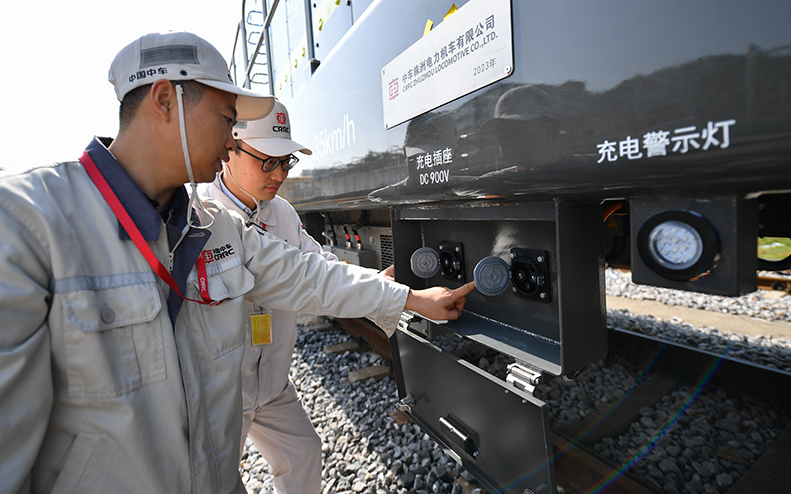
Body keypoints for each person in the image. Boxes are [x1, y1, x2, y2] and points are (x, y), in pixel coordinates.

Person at [0, 31, 475, 494]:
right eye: (227, 120)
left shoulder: (214, 227)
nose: (230, 143)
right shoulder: (26, 221)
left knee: (302, 454)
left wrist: (408, 297)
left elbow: (308, 273)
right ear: (165, 100)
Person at [198, 100, 395, 494]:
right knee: (215, 483)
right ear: (229, 150)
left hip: (271, 386)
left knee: (303, 453)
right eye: (268, 161)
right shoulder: (200, 216)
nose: (280, 174)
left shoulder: (283, 213)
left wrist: (379, 283)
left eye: (286, 161)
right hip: (220, 395)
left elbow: (319, 266)